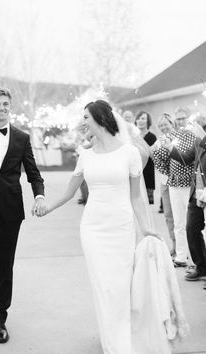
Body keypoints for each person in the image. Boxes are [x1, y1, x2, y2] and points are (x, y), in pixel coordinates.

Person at [43, 100, 188, 353]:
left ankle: (122, 335)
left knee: (120, 285)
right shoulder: (85, 155)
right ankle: (111, 337)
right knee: (103, 285)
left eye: (86, 117)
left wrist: (145, 228)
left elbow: (135, 197)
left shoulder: (129, 153)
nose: (83, 121)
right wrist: (47, 207)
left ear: (99, 118)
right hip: (92, 228)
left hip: (120, 227)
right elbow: (69, 191)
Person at [0, 88, 46, 343]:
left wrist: (39, 195)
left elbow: (33, 172)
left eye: (5, 104)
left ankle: (0, 317)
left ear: (10, 107)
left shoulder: (22, 138)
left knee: (5, 265)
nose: (1, 108)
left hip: (11, 210)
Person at [161, 115, 206, 285]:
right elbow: (186, 158)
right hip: (198, 191)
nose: (190, 126)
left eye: (195, 124)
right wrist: (169, 148)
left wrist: (200, 136)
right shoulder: (199, 142)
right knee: (191, 228)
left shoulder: (200, 138)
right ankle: (201, 267)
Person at [152, 107, 196, 268]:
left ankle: (197, 257)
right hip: (175, 184)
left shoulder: (193, 136)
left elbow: (190, 159)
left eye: (182, 118)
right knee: (178, 222)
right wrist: (168, 174)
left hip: (191, 184)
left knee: (194, 222)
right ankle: (181, 257)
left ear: (188, 119)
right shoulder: (167, 137)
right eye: (178, 119)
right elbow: (158, 157)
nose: (180, 121)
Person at [151, 113, 176, 256]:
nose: (163, 127)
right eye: (160, 125)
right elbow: (151, 152)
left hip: (178, 182)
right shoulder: (159, 140)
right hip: (164, 182)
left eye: (165, 124)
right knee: (168, 215)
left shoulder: (179, 137)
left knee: (180, 216)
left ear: (172, 124)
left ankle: (183, 246)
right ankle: (174, 244)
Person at [135, 110, 156, 204]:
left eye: (143, 118)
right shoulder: (133, 136)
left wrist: (140, 140)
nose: (140, 120)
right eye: (138, 118)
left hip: (147, 172)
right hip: (135, 172)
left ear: (148, 121)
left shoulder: (152, 137)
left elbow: (152, 154)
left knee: (146, 203)